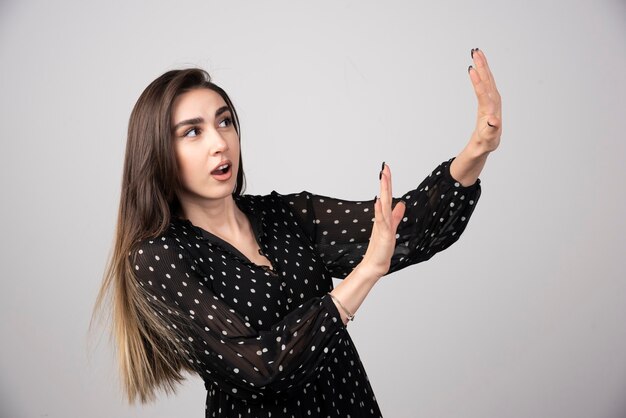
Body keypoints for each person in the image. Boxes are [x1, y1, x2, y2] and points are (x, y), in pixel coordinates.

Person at [94, 48, 501, 417]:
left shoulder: (284, 214)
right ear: (158, 151)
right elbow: (261, 369)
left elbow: (407, 229)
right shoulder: (158, 256)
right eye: (192, 131)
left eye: (225, 122)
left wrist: (477, 148)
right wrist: (365, 274)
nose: (219, 142)